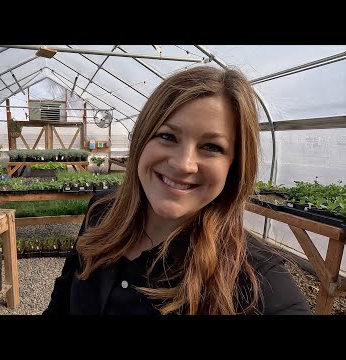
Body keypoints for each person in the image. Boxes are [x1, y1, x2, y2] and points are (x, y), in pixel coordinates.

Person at [43, 66, 312, 315]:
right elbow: (60, 304)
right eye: (167, 136)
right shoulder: (102, 212)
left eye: (212, 147)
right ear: (142, 140)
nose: (183, 164)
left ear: (235, 164)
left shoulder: (257, 279)